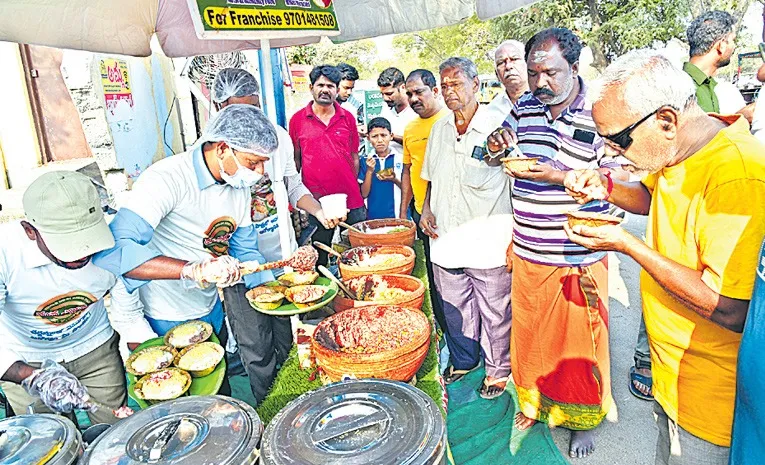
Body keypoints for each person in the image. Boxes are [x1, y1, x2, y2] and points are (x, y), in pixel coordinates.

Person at [564, 50, 765, 465]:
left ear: (667, 120)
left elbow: (730, 308)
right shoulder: (680, 149)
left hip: (709, 394)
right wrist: (606, 186)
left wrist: (627, 245)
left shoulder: (738, 173)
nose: (613, 152)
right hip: (669, 374)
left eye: (619, 140)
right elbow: (653, 196)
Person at [487, 28, 628, 458]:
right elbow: (497, 151)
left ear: (575, 67)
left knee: (579, 346)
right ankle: (533, 403)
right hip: (530, 247)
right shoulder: (524, 107)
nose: (539, 83)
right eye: (532, 73)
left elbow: (623, 180)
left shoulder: (603, 113)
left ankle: (584, 418)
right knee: (530, 338)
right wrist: (496, 145)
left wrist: (559, 174)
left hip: (577, 252)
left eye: (550, 73)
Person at [95, 104, 277, 396]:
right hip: (166, 315)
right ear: (222, 149)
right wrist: (191, 270)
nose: (259, 172)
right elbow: (116, 250)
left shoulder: (238, 187)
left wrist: (270, 289)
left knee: (219, 396)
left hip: (211, 311)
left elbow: (245, 248)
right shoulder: (167, 179)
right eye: (253, 162)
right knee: (182, 407)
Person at [210, 68, 345, 402]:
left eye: (253, 108)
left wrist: (317, 210)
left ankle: (299, 403)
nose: (247, 118)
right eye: (236, 110)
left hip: (284, 259)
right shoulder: (213, 151)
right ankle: (270, 407)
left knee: (291, 336)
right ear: (218, 108)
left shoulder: (278, 137)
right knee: (256, 347)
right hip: (241, 269)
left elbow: (292, 184)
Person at [420, 57, 513, 400]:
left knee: (495, 311)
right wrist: (426, 209)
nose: (449, 91)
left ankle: (498, 369)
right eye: (444, 85)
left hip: (487, 239)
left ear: (476, 85)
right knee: (454, 307)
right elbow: (431, 177)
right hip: (444, 237)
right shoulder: (440, 129)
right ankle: (465, 359)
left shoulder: (498, 127)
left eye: (456, 83)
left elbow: (517, 182)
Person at [0, 171, 126, 424]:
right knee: (49, 443)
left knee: (116, 431)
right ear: (30, 231)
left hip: (96, 349)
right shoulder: (5, 251)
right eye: (67, 243)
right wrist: (33, 377)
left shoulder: (118, 234)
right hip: (24, 357)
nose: (81, 254)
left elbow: (128, 304)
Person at [289, 65, 365, 266]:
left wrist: (352, 185)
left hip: (351, 200)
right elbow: (296, 161)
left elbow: (354, 156)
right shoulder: (297, 120)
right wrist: (296, 200)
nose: (325, 89)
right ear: (311, 87)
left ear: (337, 89)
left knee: (359, 256)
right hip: (317, 202)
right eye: (320, 85)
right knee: (320, 256)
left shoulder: (347, 117)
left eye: (331, 86)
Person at [400, 68, 450, 335]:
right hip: (422, 214)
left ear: (435, 90)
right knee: (434, 278)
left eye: (419, 91)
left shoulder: (451, 120)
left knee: (456, 281)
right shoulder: (409, 129)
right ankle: (443, 331)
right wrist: (402, 214)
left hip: (452, 215)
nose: (413, 98)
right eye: (409, 94)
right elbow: (407, 170)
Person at [684, 11, 752, 119]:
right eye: (732, 40)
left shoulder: (717, 87)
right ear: (721, 46)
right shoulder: (680, 87)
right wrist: (737, 119)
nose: (734, 46)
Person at [358, 117, 405, 219]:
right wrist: (370, 171)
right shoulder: (365, 160)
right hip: (373, 217)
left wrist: (394, 179)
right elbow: (364, 194)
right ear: (368, 138)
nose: (380, 140)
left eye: (383, 135)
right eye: (374, 136)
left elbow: (408, 191)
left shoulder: (400, 159)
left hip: (398, 215)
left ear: (391, 136)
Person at [485, 40, 530, 121]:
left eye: (514, 59)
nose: (508, 66)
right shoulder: (491, 112)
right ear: (497, 74)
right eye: (501, 62)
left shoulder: (547, 101)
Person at [377, 67, 417, 152]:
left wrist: (392, 136)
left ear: (403, 87)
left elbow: (418, 143)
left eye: (389, 94)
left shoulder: (416, 110)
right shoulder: (385, 109)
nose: (385, 98)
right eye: (382, 94)